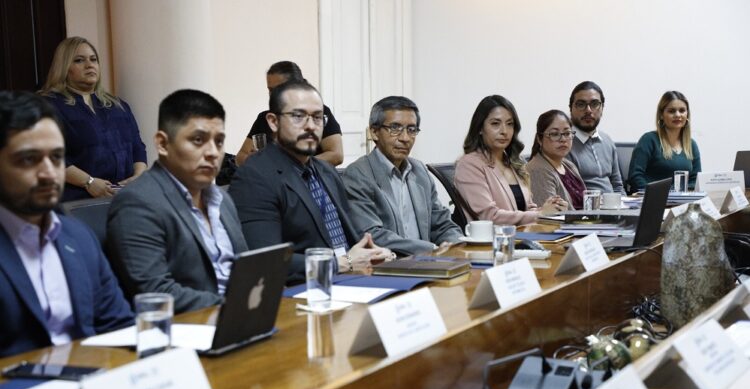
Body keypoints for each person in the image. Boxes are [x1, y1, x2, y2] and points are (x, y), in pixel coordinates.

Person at [0, 91, 133, 356]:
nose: (49, 173)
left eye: (57, 157)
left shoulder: (78, 235)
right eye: (29, 159)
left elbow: (118, 326)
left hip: (91, 372)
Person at [228, 80, 392, 284]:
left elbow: (350, 235)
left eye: (317, 117)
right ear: (273, 121)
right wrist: (341, 263)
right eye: (298, 116)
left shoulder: (325, 171)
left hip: (351, 280)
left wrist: (373, 252)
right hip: (302, 292)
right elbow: (266, 261)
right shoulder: (254, 177)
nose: (311, 126)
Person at [107, 89, 248, 314]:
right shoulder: (137, 203)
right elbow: (155, 292)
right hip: (190, 325)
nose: (213, 153)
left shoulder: (222, 200)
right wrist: (234, 306)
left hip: (242, 319)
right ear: (163, 144)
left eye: (219, 142)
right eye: (198, 140)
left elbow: (246, 270)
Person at [342, 96, 462, 255]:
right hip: (387, 265)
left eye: (411, 130)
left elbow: (442, 224)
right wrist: (430, 249)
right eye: (395, 128)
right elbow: (372, 235)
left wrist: (455, 244)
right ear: (374, 132)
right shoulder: (357, 175)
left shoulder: (419, 171)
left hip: (429, 262)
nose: (405, 138)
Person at [40, 36, 147, 201]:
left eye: (93, 59)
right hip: (77, 201)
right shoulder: (47, 106)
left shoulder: (118, 105)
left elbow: (137, 147)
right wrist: (88, 182)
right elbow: (47, 155)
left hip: (125, 199)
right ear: (64, 67)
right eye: (79, 60)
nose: (89, 65)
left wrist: (138, 177)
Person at [454, 95, 566, 225]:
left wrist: (549, 209)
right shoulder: (469, 164)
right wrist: (540, 214)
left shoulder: (514, 162)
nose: (504, 131)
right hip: (493, 237)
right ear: (480, 128)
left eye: (509, 124)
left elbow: (526, 210)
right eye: (495, 124)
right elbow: (489, 217)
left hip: (524, 235)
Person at [235, 61, 343, 167]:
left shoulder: (318, 113)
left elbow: (336, 155)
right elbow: (240, 157)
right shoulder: (264, 118)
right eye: (270, 90)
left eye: (279, 89)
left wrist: (291, 166)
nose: (273, 95)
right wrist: (253, 160)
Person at [628, 90, 701, 191]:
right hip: (652, 197)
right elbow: (635, 176)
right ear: (661, 115)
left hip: (681, 199)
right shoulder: (649, 140)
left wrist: (676, 193)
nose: (678, 115)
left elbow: (695, 180)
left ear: (687, 115)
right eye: (671, 111)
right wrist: (662, 193)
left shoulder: (691, 145)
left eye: (682, 110)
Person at [566, 81, 625, 194]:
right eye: (581, 104)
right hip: (585, 204)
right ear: (571, 108)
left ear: (602, 108)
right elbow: (570, 193)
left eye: (594, 104)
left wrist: (624, 203)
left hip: (613, 204)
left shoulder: (607, 141)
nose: (588, 110)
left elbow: (617, 186)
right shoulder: (564, 143)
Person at [527, 110, 586, 210]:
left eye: (567, 133)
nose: (563, 139)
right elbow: (550, 215)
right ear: (539, 139)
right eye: (554, 134)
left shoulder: (569, 165)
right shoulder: (537, 170)